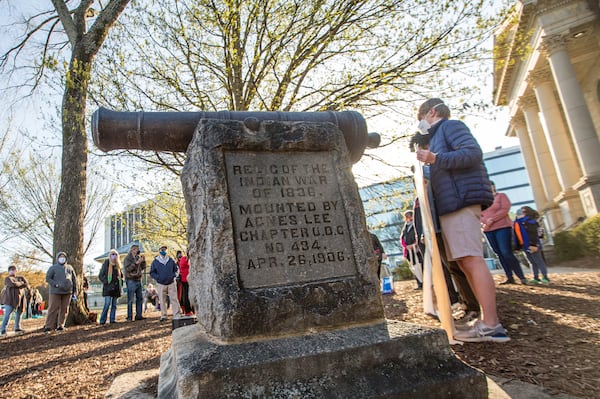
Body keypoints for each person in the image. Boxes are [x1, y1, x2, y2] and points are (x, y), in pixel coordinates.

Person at [415, 97, 509, 343]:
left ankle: (492, 324)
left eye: (421, 118)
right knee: (466, 262)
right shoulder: (436, 136)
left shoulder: (450, 126)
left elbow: (471, 153)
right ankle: (487, 320)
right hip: (452, 203)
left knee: (471, 259)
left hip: (461, 200)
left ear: (433, 111)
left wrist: (435, 159)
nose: (420, 124)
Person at [481, 181, 528, 285]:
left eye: (490, 185)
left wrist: (492, 219)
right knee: (499, 254)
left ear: (493, 186)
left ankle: (521, 276)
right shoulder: (481, 200)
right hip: (488, 230)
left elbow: (504, 209)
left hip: (502, 227)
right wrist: (486, 223)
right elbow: (480, 215)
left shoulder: (501, 196)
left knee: (506, 252)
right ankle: (509, 277)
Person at [514, 206, 550, 284]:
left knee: (538, 261)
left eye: (522, 212)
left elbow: (534, 234)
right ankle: (536, 277)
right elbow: (517, 235)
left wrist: (534, 244)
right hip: (525, 245)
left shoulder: (531, 222)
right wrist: (518, 246)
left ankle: (545, 277)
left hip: (533, 244)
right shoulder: (518, 223)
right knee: (532, 262)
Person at [44, 252, 78, 333]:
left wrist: (74, 291)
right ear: (57, 258)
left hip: (67, 292)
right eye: (60, 257)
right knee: (53, 309)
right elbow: (48, 278)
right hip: (55, 291)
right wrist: (55, 284)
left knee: (65, 309)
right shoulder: (53, 268)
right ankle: (48, 326)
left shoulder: (69, 268)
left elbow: (74, 279)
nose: (62, 258)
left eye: (63, 257)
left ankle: (60, 325)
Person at [150, 245, 182, 322]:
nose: (163, 251)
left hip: (171, 283)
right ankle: (164, 315)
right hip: (161, 283)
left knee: (174, 299)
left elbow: (176, 269)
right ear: (159, 250)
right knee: (162, 299)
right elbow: (152, 272)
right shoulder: (155, 261)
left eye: (165, 249)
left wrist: (173, 276)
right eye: (162, 249)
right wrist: (158, 277)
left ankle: (176, 313)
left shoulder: (171, 260)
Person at [1, 265, 29, 336]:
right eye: (10, 270)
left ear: (16, 271)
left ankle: (17, 327)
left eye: (13, 270)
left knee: (19, 313)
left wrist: (20, 284)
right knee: (8, 315)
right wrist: (21, 283)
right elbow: (12, 284)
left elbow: (26, 284)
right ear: (8, 271)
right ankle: (3, 330)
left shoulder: (21, 277)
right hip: (10, 299)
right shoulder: (7, 278)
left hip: (21, 298)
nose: (12, 271)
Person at [98, 249, 123, 325]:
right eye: (112, 254)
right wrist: (106, 282)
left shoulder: (118, 265)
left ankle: (112, 319)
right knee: (107, 304)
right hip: (108, 288)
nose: (114, 256)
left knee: (114, 305)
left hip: (116, 288)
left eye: (115, 254)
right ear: (110, 255)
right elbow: (101, 275)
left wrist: (120, 280)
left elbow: (121, 275)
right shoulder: (106, 263)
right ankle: (102, 320)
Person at [400, 210, 423, 289]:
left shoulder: (416, 225)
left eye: (409, 216)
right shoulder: (405, 227)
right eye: (406, 217)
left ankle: (424, 281)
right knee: (414, 267)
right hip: (409, 251)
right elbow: (402, 238)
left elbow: (418, 235)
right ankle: (419, 283)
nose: (408, 218)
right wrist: (406, 246)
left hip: (417, 249)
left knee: (420, 265)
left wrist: (415, 244)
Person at [124, 244, 146, 321]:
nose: (137, 250)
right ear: (132, 250)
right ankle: (129, 316)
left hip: (138, 279)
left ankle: (139, 315)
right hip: (131, 280)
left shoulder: (138, 257)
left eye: (138, 249)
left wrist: (143, 261)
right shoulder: (127, 258)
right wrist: (136, 263)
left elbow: (143, 268)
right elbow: (128, 269)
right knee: (130, 299)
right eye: (136, 249)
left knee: (139, 298)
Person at [178, 249, 194, 315]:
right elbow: (182, 265)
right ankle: (187, 310)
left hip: (193, 280)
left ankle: (194, 309)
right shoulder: (183, 259)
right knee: (186, 295)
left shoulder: (193, 258)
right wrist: (188, 260)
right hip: (185, 280)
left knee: (193, 295)